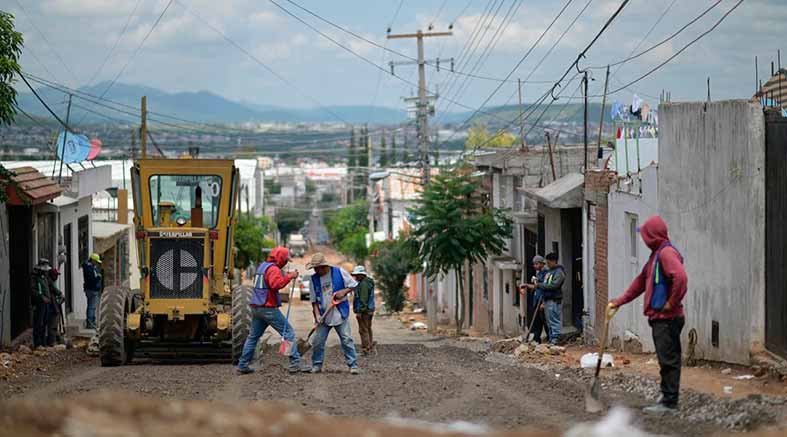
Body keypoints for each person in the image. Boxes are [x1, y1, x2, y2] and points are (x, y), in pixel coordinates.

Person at [608, 216, 687, 414]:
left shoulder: (666, 253)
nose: (642, 239)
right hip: (661, 319)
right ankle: (667, 397)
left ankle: (669, 403)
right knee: (666, 359)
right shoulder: (655, 256)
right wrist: (619, 301)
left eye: (644, 235)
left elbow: (681, 277)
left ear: (652, 235)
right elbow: (640, 282)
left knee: (668, 360)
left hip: (667, 318)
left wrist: (671, 303)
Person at [237, 246, 307, 375]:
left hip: (257, 307)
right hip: (268, 307)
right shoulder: (273, 269)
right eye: (285, 260)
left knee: (253, 337)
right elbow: (276, 284)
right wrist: (290, 276)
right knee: (289, 332)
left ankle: (242, 364)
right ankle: (295, 363)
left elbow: (269, 282)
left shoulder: (263, 266)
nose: (285, 263)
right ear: (281, 258)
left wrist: (285, 276)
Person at [306, 252, 360, 374]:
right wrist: (317, 316)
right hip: (323, 317)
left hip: (340, 314)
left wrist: (344, 292)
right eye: (314, 268)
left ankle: (353, 365)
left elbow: (354, 285)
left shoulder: (339, 272)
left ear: (323, 266)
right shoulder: (313, 279)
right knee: (318, 342)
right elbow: (314, 302)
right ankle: (317, 365)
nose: (316, 270)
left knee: (346, 339)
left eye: (317, 268)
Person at [520, 255, 549, 344]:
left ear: (541, 264)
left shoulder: (546, 274)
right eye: (534, 264)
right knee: (537, 322)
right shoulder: (538, 273)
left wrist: (543, 302)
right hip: (536, 300)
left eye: (536, 264)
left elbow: (545, 288)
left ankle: (550, 338)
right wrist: (527, 285)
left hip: (542, 300)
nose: (535, 266)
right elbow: (536, 287)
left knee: (545, 321)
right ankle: (537, 339)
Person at [538, 252, 565, 345]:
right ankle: (551, 338)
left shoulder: (559, 272)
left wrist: (540, 285)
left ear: (554, 261)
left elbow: (554, 285)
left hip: (554, 299)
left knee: (554, 320)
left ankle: (556, 339)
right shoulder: (549, 272)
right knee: (549, 321)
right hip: (547, 299)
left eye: (549, 262)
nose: (547, 265)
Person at [351, 265, 375, 355]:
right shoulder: (369, 282)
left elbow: (363, 299)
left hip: (364, 311)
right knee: (368, 328)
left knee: (363, 330)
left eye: (357, 275)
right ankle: (370, 346)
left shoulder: (363, 284)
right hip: (369, 310)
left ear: (362, 275)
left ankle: (366, 348)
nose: (356, 277)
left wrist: (360, 311)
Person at [82, 253, 102, 329]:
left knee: (91, 306)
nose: (97, 263)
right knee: (92, 307)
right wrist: (98, 278)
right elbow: (92, 280)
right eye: (96, 261)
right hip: (92, 289)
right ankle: (90, 323)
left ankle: (91, 322)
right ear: (93, 260)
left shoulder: (88, 267)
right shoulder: (90, 269)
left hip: (89, 289)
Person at [47, 267, 65, 345]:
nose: (57, 277)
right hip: (52, 308)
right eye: (55, 275)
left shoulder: (51, 282)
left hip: (54, 307)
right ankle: (52, 342)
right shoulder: (49, 283)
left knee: (55, 326)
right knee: (53, 326)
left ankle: (56, 340)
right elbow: (54, 291)